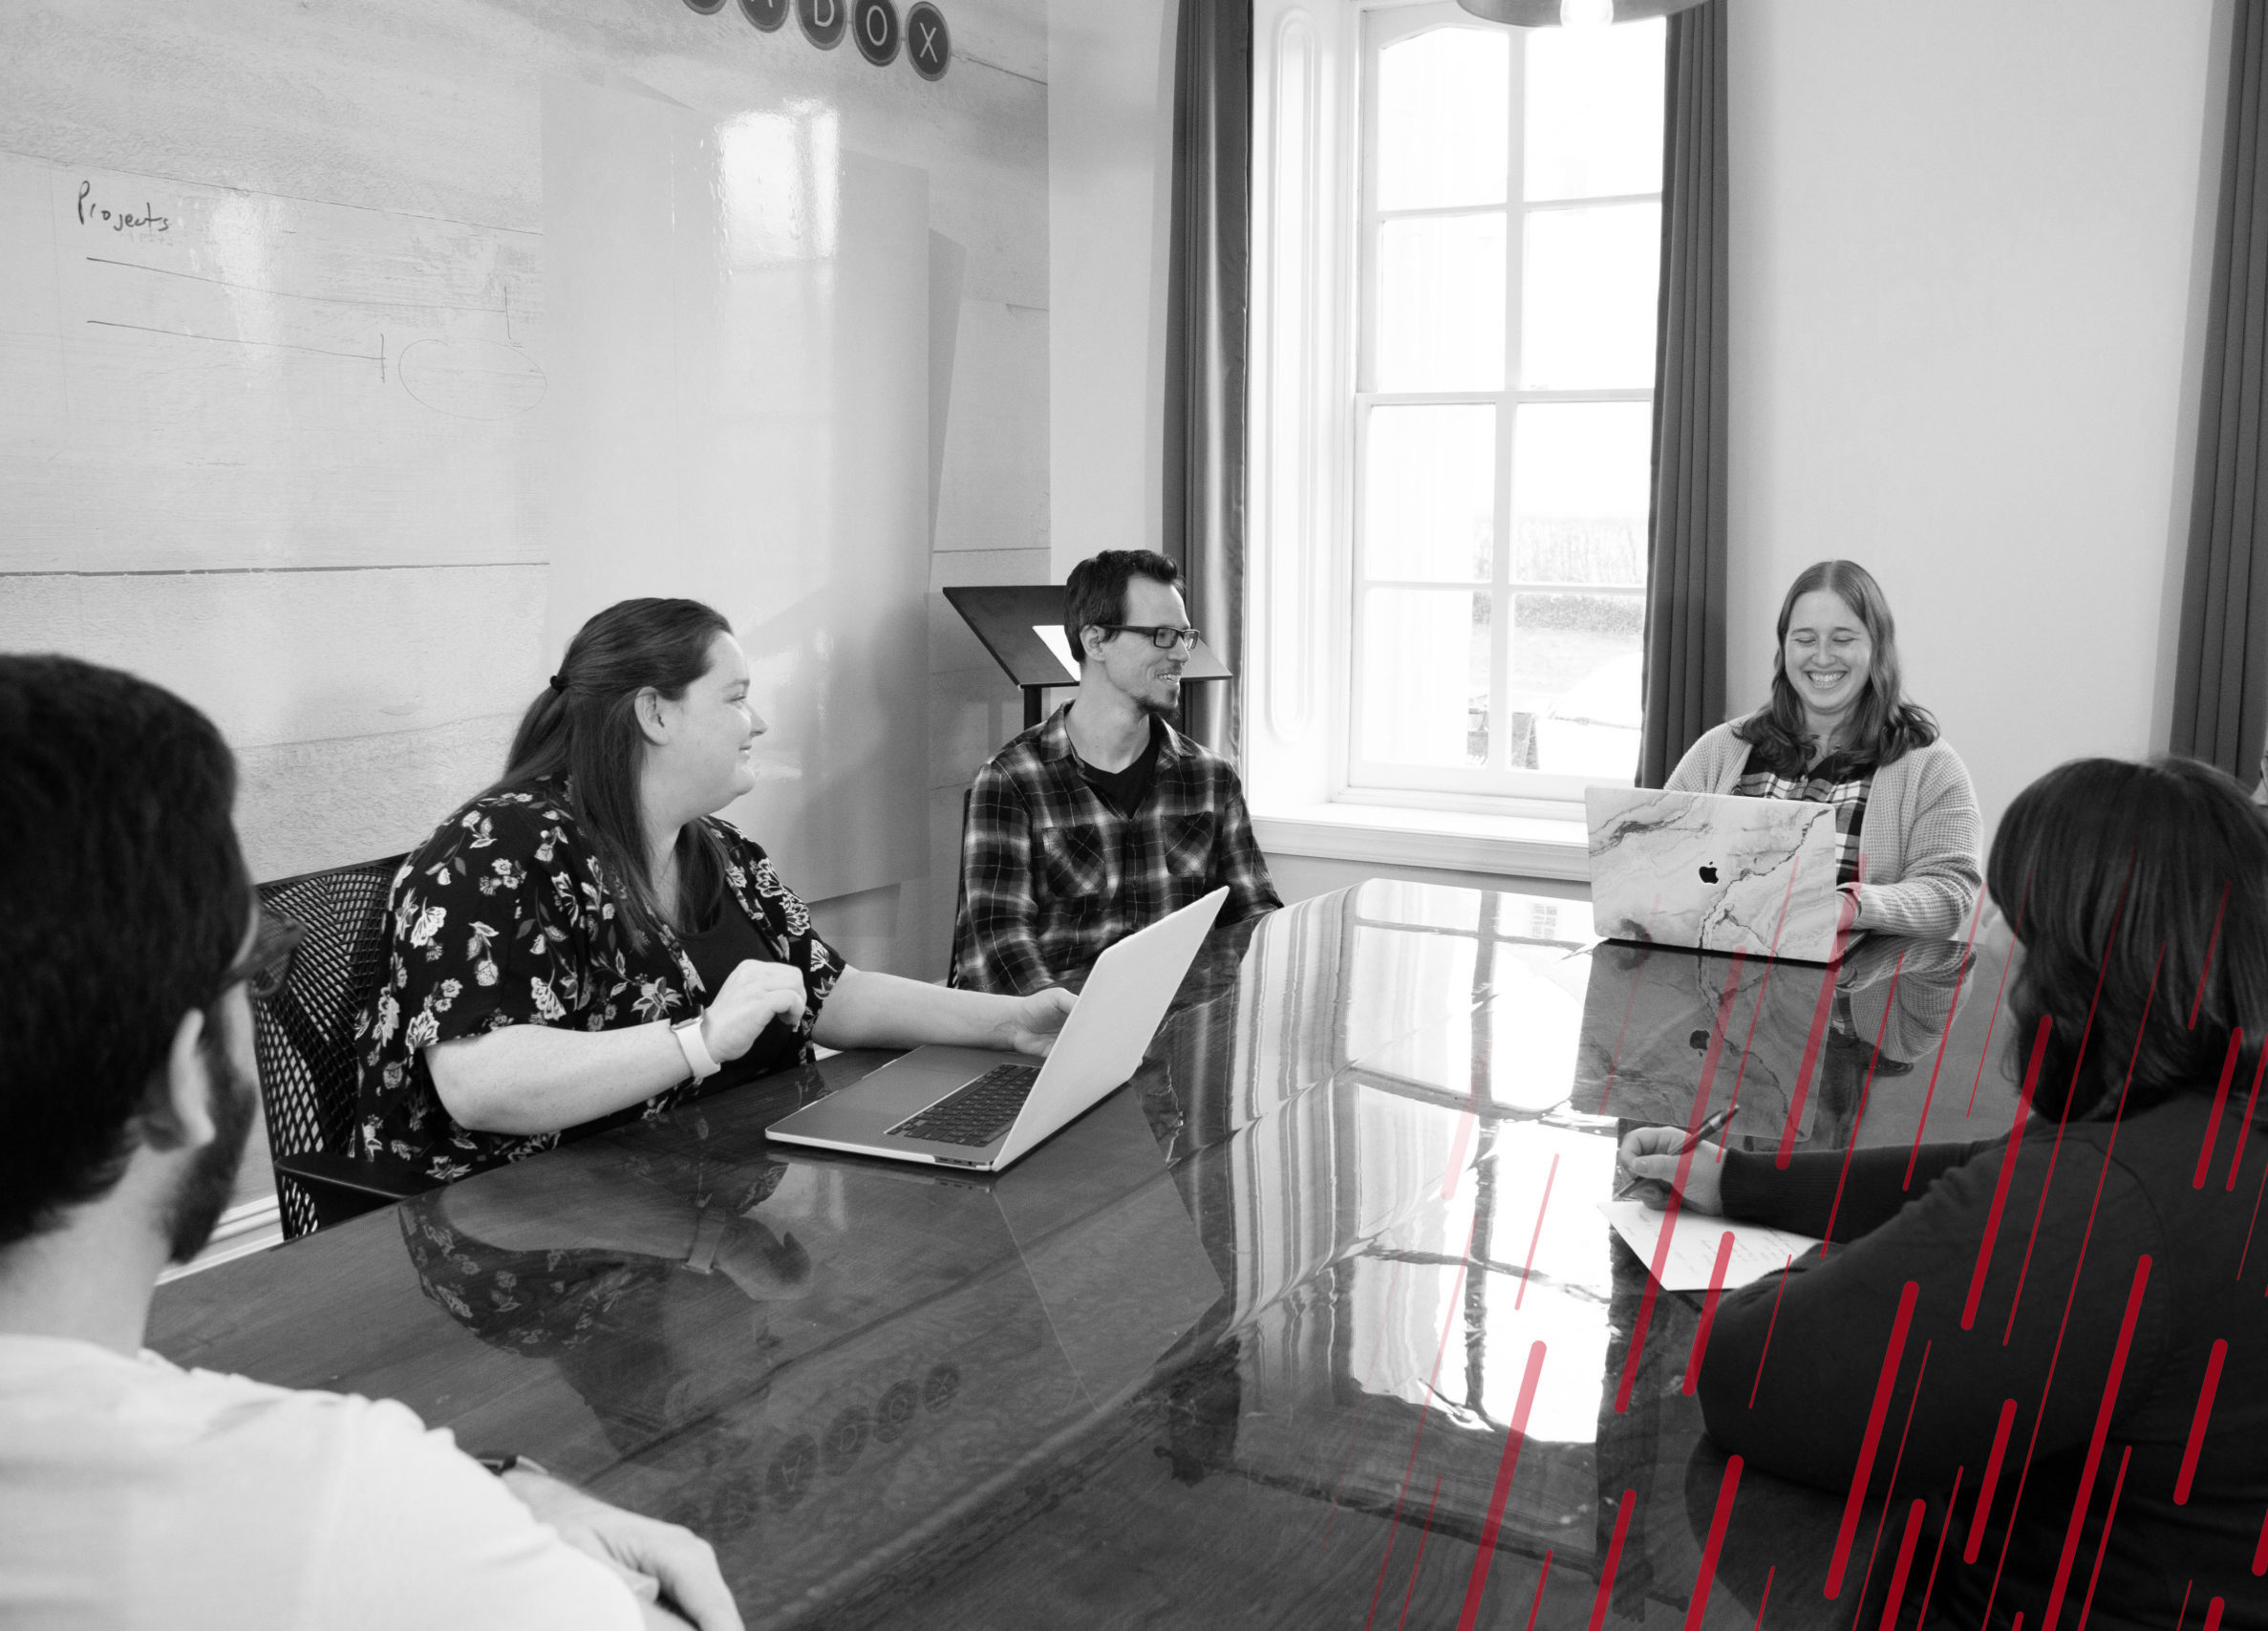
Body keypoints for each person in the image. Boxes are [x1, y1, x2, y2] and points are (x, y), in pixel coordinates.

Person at [0, 654, 739, 1631]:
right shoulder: (338, 1511)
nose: (755, 722)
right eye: (252, 972)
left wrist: (492, 1480)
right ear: (175, 1081)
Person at [1620, 755, 2268, 1629]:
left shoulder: (2103, 1206)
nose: (1995, 941)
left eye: (2017, 918)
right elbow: (1988, 1167)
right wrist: (1742, 1180)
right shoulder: (2211, 1129)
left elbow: (1752, 1372)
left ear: (2080, 963)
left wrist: (1818, 1270)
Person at [356, 598, 1074, 1185]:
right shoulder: (494, 850)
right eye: (735, 698)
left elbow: (831, 992)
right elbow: (479, 1082)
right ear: (655, 714)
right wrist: (699, 1040)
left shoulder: (717, 848)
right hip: (536, 1226)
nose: (757, 722)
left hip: (706, 1186)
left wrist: (1009, 1022)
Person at [950, 549, 1280, 995]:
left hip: (1182, 1021)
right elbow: (998, 954)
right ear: (1096, 641)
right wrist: (1077, 1027)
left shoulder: (1211, 778)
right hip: (1055, 1033)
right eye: (1162, 635)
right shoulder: (1012, 781)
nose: (1182, 653)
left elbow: (1255, 916)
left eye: (1184, 635)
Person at [1666, 559, 1979, 937]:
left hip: (1858, 992)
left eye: (1843, 639)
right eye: (1805, 639)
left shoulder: (1930, 766)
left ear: (1877, 647)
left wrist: (1850, 906)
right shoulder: (1721, 750)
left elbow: (1950, 894)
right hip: (1718, 984)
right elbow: (1660, 858)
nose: (1823, 657)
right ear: (1784, 649)